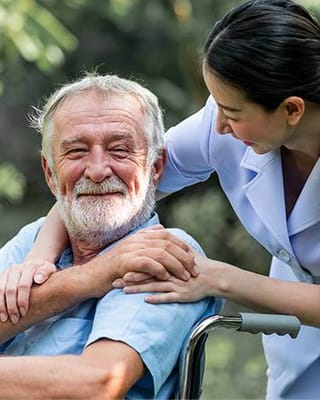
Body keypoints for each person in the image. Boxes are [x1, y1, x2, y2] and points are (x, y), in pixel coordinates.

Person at [2, 0, 320, 398]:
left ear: (292, 110)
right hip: (300, 336)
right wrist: (40, 257)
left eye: (230, 111)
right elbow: (107, 181)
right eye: (76, 150)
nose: (217, 125)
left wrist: (210, 275)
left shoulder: (167, 259)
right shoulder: (232, 118)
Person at [0, 74, 222, 399]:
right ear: (50, 173)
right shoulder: (34, 239)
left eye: (119, 150)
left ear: (155, 167)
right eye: (76, 151)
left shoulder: (164, 251)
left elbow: (95, 385)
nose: (98, 170)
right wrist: (94, 275)